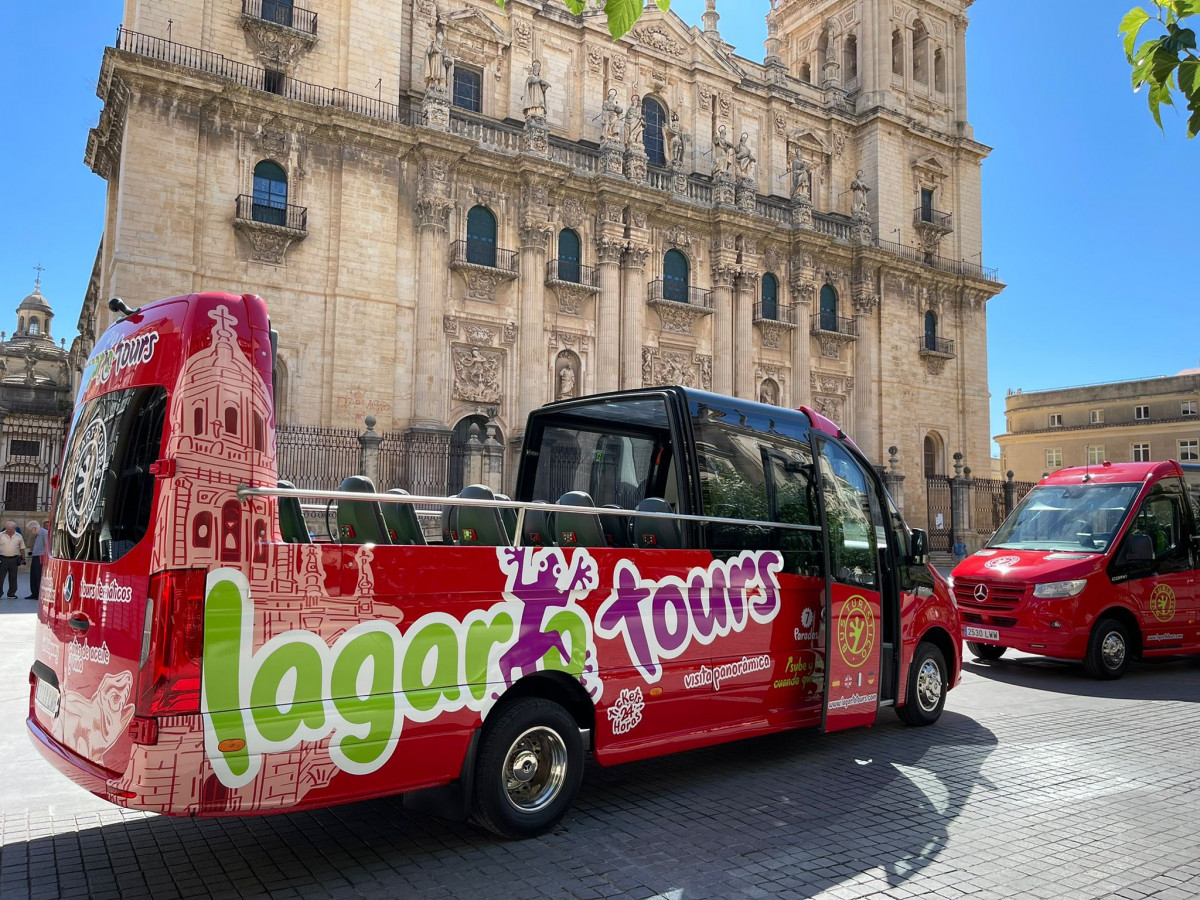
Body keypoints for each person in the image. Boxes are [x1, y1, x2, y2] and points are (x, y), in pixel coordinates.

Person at [0, 521, 26, 599]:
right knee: (0, 577)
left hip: (14, 559)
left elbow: (22, 548)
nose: (9, 530)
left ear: (14, 529)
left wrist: (23, 559)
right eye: (8, 529)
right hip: (2, 558)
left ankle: (11, 593)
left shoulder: (19, 536)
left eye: (11, 529)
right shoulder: (0, 535)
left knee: (13, 577)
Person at [27, 520, 47, 600]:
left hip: (41, 556)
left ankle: (39, 594)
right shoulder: (38, 534)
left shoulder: (44, 533)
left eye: (31, 530)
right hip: (36, 555)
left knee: (38, 575)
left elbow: (47, 546)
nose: (31, 532)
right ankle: (34, 593)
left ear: (34, 528)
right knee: (34, 575)